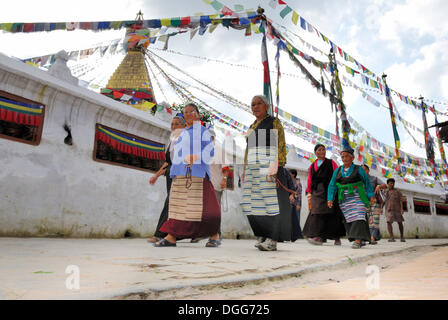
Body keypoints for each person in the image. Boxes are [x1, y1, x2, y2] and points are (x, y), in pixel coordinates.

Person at [155, 103, 221, 247]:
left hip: (197, 174)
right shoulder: (182, 133)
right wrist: (173, 172)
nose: (189, 114)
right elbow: (176, 154)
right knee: (177, 207)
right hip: (179, 174)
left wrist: (195, 157)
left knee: (205, 209)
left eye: (192, 111)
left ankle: (214, 234)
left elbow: (210, 151)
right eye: (186, 112)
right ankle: (171, 236)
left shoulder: (203, 131)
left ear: (198, 115)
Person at [241, 95, 297, 251]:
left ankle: (272, 239)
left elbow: (280, 145)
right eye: (252, 104)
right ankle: (263, 234)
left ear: (266, 106)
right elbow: (248, 150)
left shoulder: (273, 122)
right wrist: (246, 169)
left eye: (259, 103)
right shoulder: (252, 126)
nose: (255, 107)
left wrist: (276, 166)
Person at [147, 114, 186, 243]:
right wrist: (156, 176)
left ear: (183, 126)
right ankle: (174, 234)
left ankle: (160, 234)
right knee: (173, 204)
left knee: (170, 203)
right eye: (172, 124)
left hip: (182, 175)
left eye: (176, 124)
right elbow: (167, 162)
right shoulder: (171, 143)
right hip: (170, 175)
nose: (173, 127)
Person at [328, 147, 376, 249]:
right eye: (342, 157)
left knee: (359, 215)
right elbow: (332, 185)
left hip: (357, 195)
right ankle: (359, 238)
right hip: (344, 198)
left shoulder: (359, 169)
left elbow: (367, 183)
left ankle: (358, 240)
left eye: (346, 156)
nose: (344, 158)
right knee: (350, 218)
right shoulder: (337, 171)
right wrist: (330, 198)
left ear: (352, 157)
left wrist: (371, 195)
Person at [302, 144, 345, 246]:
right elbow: (310, 179)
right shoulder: (312, 165)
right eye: (320, 150)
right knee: (316, 211)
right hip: (317, 191)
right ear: (315, 152)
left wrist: (338, 187)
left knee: (332, 213)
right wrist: (309, 191)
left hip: (329, 190)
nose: (322, 152)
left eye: (323, 150)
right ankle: (318, 236)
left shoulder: (331, 163)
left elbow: (337, 175)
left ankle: (336, 237)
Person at [361, 164, 387, 244]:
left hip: (375, 201)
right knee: (365, 220)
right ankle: (365, 237)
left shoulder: (374, 179)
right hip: (364, 202)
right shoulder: (359, 180)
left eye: (365, 169)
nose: (363, 171)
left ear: (368, 170)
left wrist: (379, 186)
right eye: (361, 170)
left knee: (375, 220)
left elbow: (385, 185)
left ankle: (372, 238)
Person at [383, 178, 406, 242]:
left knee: (400, 222)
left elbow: (401, 201)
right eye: (390, 183)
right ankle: (391, 237)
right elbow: (383, 201)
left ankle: (402, 237)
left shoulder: (398, 192)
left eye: (393, 183)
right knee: (388, 222)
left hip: (397, 209)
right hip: (389, 209)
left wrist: (401, 209)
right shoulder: (385, 192)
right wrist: (381, 208)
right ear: (387, 184)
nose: (392, 184)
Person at [289, 169, 304, 240]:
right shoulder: (289, 182)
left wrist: (298, 204)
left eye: (290, 173)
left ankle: (298, 234)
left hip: (296, 203)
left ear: (293, 174)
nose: (288, 175)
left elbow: (300, 195)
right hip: (290, 203)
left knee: (297, 218)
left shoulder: (298, 183)